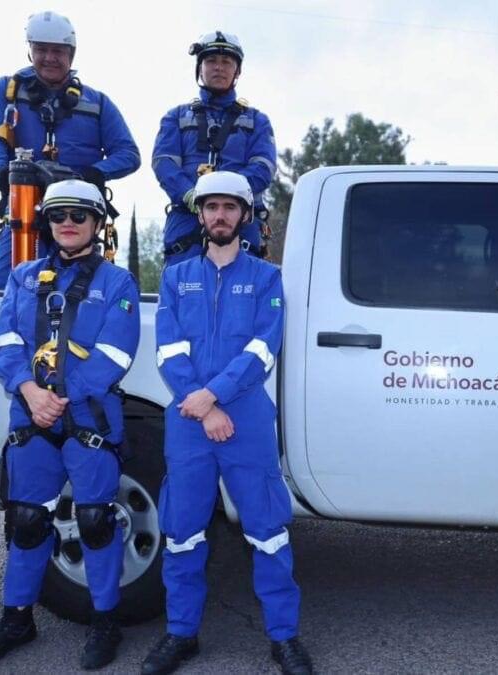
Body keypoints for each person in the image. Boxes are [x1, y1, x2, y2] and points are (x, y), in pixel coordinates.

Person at [143, 172, 312, 675]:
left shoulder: (266, 278)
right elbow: (169, 349)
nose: (220, 216)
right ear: (200, 216)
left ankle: (284, 638)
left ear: (245, 216)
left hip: (244, 419)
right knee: (182, 532)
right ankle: (181, 634)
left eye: (229, 208)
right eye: (211, 207)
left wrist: (213, 397)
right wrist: (202, 404)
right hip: (190, 419)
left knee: (268, 531)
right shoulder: (176, 276)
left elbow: (263, 348)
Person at [0, 179, 140, 670]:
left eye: (79, 216)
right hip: (31, 416)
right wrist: (29, 391)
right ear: (47, 222)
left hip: (87, 418)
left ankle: (106, 621)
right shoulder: (23, 279)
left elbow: (116, 351)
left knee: (97, 521)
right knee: (27, 520)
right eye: (59, 215)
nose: (68, 223)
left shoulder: (117, 283)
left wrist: (60, 398)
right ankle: (17, 619)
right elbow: (6, 345)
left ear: (96, 223)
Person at [0, 10, 141, 290]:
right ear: (30, 51)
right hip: (24, 205)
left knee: (82, 284)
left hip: (77, 211)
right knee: (4, 282)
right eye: (41, 49)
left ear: (71, 55)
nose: (50, 58)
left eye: (58, 51)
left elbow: (128, 154)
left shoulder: (98, 102)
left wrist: (93, 174)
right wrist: (0, 172)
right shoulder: (6, 91)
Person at [152, 31, 276, 266]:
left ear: (237, 71)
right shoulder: (175, 117)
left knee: (245, 292)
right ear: (200, 68)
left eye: (226, 62)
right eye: (211, 61)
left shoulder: (258, 120)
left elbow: (263, 168)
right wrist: (191, 195)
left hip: (242, 221)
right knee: (181, 290)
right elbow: (164, 164)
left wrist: (227, 195)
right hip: (187, 219)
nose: (218, 67)